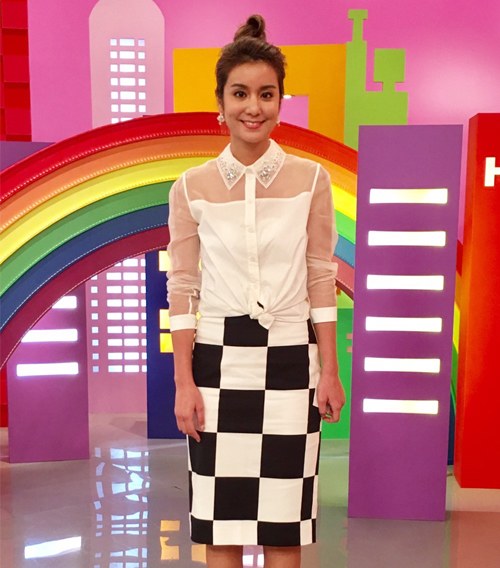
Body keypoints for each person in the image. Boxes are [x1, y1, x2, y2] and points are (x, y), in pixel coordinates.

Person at [167, 14, 345, 568]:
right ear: (220, 103)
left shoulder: (312, 180)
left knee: (283, 526)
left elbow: (321, 277)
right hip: (216, 364)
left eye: (266, 94)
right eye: (240, 93)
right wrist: (184, 383)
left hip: (292, 359)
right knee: (220, 526)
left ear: (280, 102)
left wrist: (330, 370)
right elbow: (183, 288)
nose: (253, 106)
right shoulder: (189, 187)